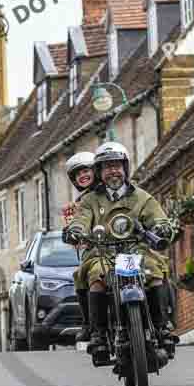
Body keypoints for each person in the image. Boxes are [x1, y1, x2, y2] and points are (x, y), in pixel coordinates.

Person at [64, 141, 174, 354]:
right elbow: (81, 219)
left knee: (155, 270)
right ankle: (98, 335)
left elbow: (159, 218)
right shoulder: (90, 200)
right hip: (102, 253)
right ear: (99, 172)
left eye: (117, 165)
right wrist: (76, 230)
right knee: (96, 276)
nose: (113, 171)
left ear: (125, 168)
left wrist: (161, 227)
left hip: (137, 251)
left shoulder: (142, 197)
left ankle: (162, 327)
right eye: (107, 167)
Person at [62, 152, 97, 342]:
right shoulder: (77, 205)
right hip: (97, 249)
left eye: (86, 171)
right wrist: (70, 234)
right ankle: (89, 323)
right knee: (80, 274)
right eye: (78, 174)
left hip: (123, 245)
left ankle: (161, 321)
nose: (83, 176)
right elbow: (74, 228)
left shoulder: (110, 191)